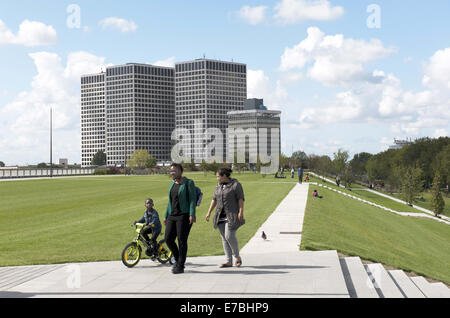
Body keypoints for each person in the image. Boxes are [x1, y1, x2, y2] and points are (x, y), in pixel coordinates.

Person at [205, 167, 245, 268]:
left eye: (218, 176)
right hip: (220, 216)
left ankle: (237, 257)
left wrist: (241, 212)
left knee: (229, 236)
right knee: (224, 238)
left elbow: (240, 199)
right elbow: (214, 199)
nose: (217, 178)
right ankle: (228, 261)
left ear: (225, 176)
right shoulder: (218, 186)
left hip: (231, 215)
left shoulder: (235, 185)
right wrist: (209, 212)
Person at [163, 163, 197, 274]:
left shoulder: (188, 183)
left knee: (182, 240)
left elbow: (192, 199)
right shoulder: (172, 183)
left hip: (184, 215)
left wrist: (192, 214)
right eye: (171, 171)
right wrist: (165, 216)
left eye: (174, 171)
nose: (172, 173)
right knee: (168, 239)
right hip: (172, 215)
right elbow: (170, 202)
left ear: (181, 171)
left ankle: (180, 265)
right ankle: (178, 260)